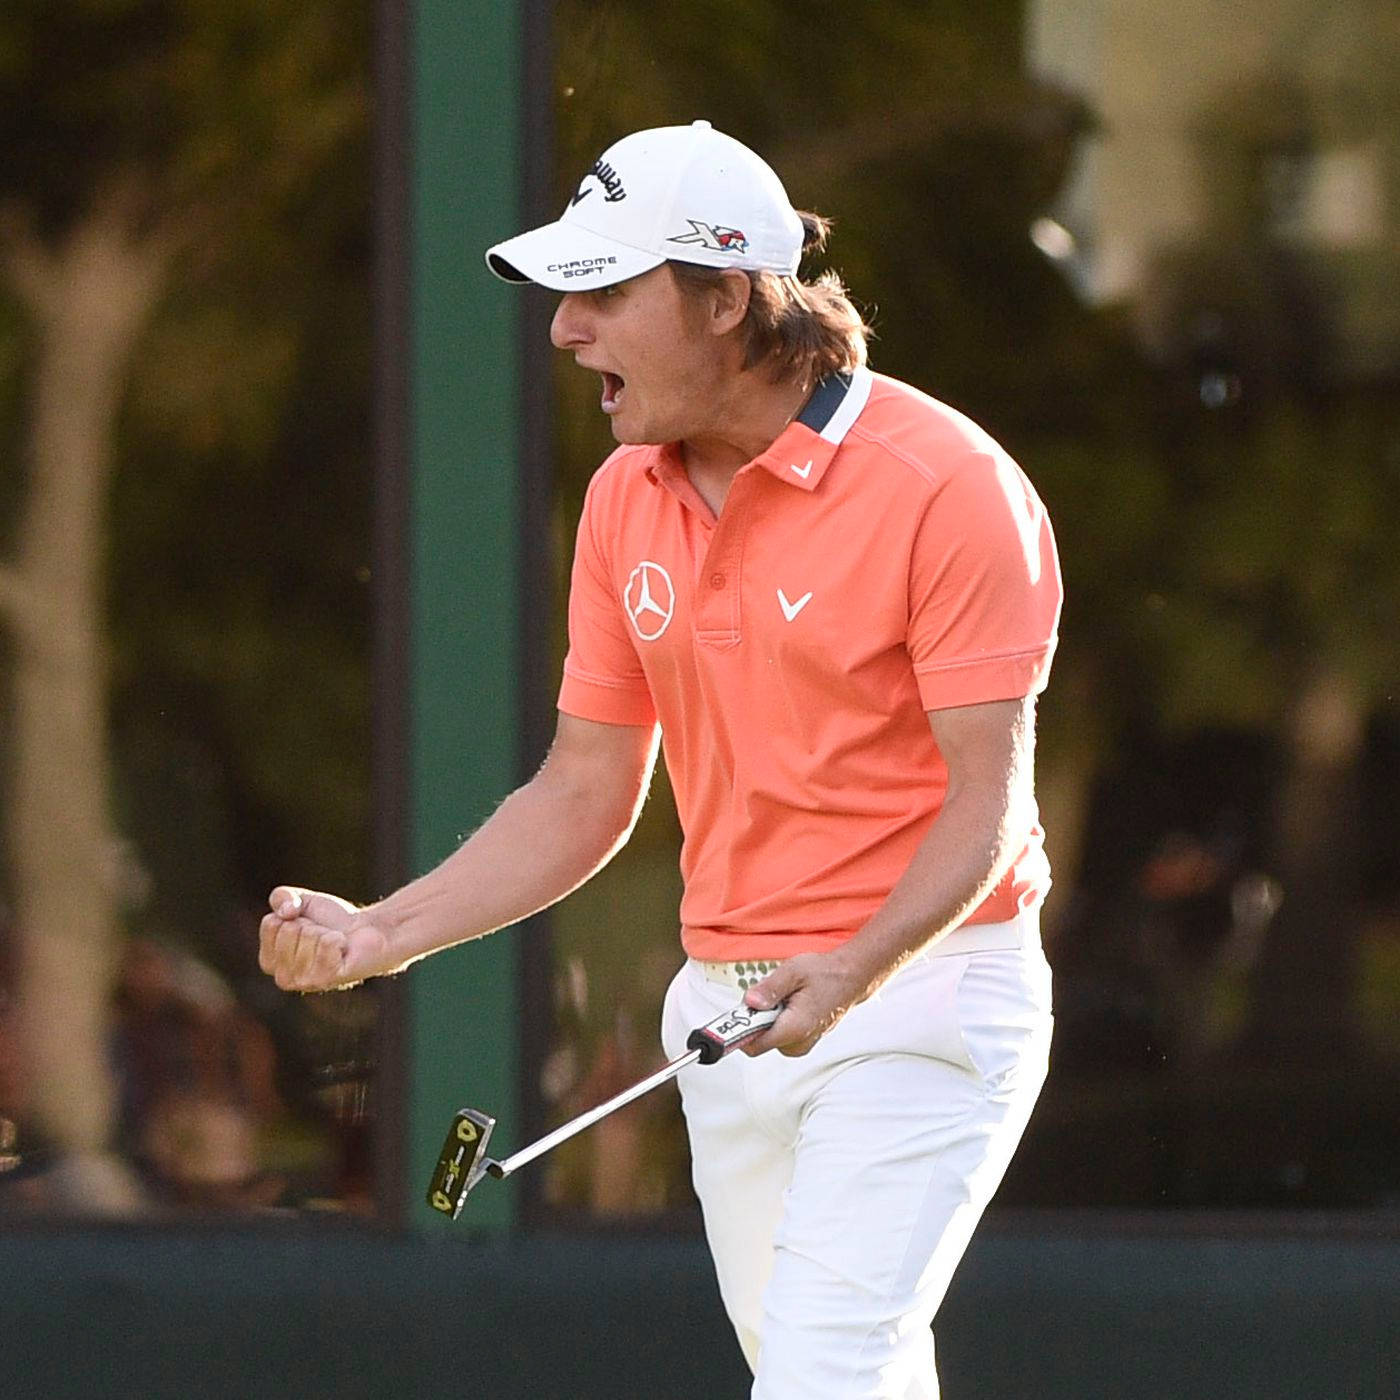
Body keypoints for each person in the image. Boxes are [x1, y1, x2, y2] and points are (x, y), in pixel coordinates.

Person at [259, 120, 1062, 1399]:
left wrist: (852, 969)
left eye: (603, 294)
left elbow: (990, 801)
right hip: (727, 1016)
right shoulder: (624, 494)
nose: (565, 331)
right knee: (839, 1374)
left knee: (821, 1374)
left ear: (727, 298)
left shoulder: (944, 484)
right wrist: (378, 931)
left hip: (921, 993)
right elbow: (585, 786)